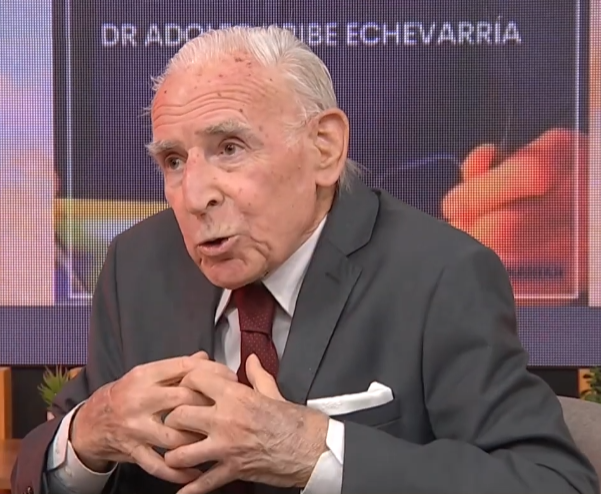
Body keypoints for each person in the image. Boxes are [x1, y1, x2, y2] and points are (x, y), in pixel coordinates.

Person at [12, 25, 598, 494]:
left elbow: (552, 480)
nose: (194, 196)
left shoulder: (442, 274)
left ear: (324, 148)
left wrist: (312, 451)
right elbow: (47, 457)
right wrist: (88, 435)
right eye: (173, 161)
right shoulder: (138, 263)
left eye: (230, 147)